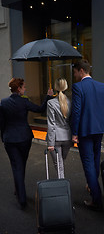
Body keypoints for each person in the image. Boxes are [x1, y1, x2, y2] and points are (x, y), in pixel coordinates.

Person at [0, 78, 53, 210]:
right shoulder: (24, 102)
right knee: (21, 164)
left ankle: (19, 190)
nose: (25, 89)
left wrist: (3, 137)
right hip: (24, 138)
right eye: (24, 87)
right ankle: (21, 198)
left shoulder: (3, 102)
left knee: (16, 165)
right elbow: (40, 108)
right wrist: (48, 96)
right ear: (18, 89)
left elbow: (1, 123)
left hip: (10, 139)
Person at [71, 59, 104, 211]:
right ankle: (92, 186)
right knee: (95, 159)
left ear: (81, 71)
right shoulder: (101, 86)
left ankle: (96, 199)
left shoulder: (78, 87)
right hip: (99, 129)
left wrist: (74, 133)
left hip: (85, 131)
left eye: (75, 72)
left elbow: (76, 111)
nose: (75, 75)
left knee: (88, 163)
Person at [47, 78, 72, 179]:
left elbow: (51, 124)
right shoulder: (71, 102)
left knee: (59, 165)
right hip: (68, 137)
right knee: (61, 162)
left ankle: (62, 188)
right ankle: (62, 185)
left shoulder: (51, 103)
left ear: (55, 87)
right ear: (66, 87)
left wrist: (50, 143)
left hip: (56, 138)